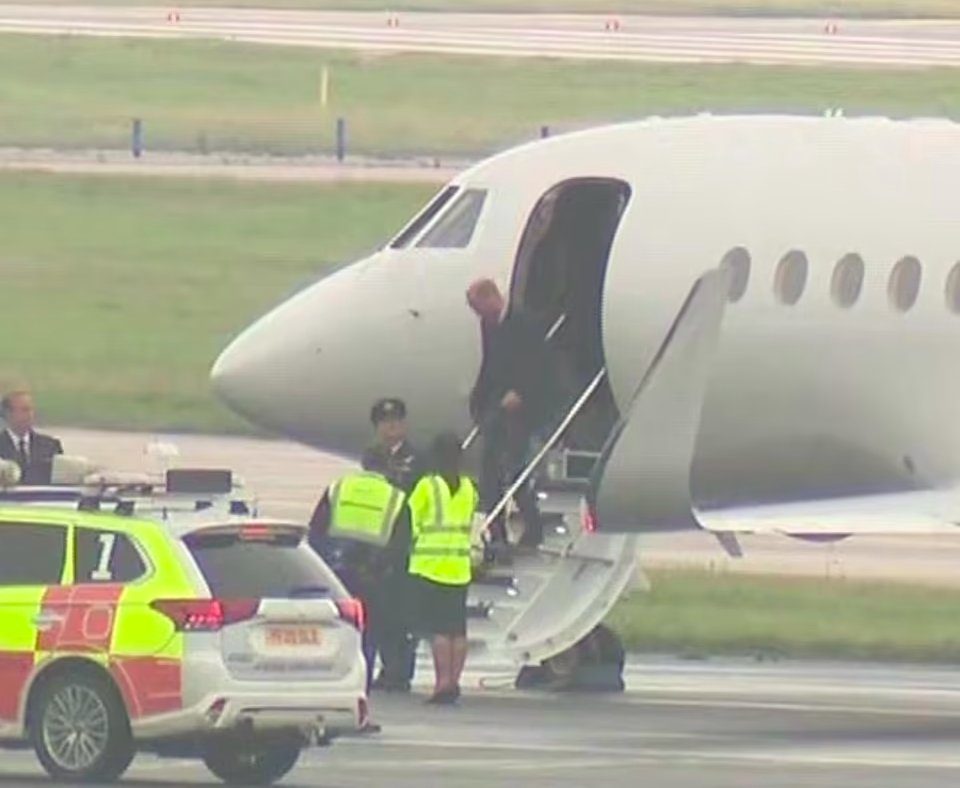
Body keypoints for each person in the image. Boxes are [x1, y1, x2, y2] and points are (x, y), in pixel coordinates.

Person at [308, 467, 410, 730]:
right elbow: (401, 546)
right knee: (366, 644)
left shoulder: (339, 488)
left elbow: (315, 532)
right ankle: (359, 712)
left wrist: (326, 565)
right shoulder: (395, 497)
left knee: (331, 640)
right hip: (373, 581)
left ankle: (322, 709)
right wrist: (380, 572)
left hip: (336, 576)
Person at [466, 279, 555, 548]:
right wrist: (478, 396)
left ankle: (533, 527)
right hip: (498, 404)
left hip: (524, 408)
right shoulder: (488, 324)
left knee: (516, 468)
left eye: (480, 309)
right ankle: (497, 533)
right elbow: (491, 363)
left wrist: (521, 392)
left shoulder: (524, 322)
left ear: (492, 297)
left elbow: (540, 365)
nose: (480, 316)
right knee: (489, 472)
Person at [408, 432, 478, 704]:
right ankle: (454, 681)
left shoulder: (428, 486)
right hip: (459, 568)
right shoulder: (469, 488)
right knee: (457, 631)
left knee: (439, 630)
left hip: (431, 566)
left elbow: (411, 520)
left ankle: (442, 683)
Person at [361, 397, 421, 692]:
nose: (391, 428)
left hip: (405, 541)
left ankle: (401, 671)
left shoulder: (417, 459)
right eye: (385, 423)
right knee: (381, 611)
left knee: (403, 613)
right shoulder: (372, 456)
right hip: (377, 540)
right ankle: (387, 667)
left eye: (396, 422)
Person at [0, 390, 63, 485]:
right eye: (25, 410)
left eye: (31, 410)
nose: (30, 415)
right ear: (8, 413)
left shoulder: (50, 445)